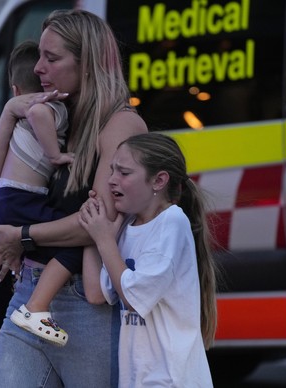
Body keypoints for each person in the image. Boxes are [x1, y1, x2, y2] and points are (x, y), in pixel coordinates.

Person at [0, 9, 148, 387]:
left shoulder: (121, 123)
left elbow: (97, 223)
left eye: (52, 58)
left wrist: (23, 236)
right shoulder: (52, 116)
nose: (39, 68)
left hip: (87, 304)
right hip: (29, 290)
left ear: (88, 63)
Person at [78, 132, 218, 387]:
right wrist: (93, 231)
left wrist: (104, 240)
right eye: (111, 171)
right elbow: (97, 294)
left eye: (124, 173)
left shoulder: (172, 222)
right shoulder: (128, 225)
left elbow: (133, 297)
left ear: (158, 181)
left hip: (170, 379)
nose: (111, 181)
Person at [0, 39, 76, 346]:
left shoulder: (15, 121)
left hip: (4, 202)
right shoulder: (51, 108)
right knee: (76, 237)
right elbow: (39, 115)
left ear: (14, 89)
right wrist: (56, 155)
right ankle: (36, 307)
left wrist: (10, 111)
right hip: (24, 199)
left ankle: (32, 301)